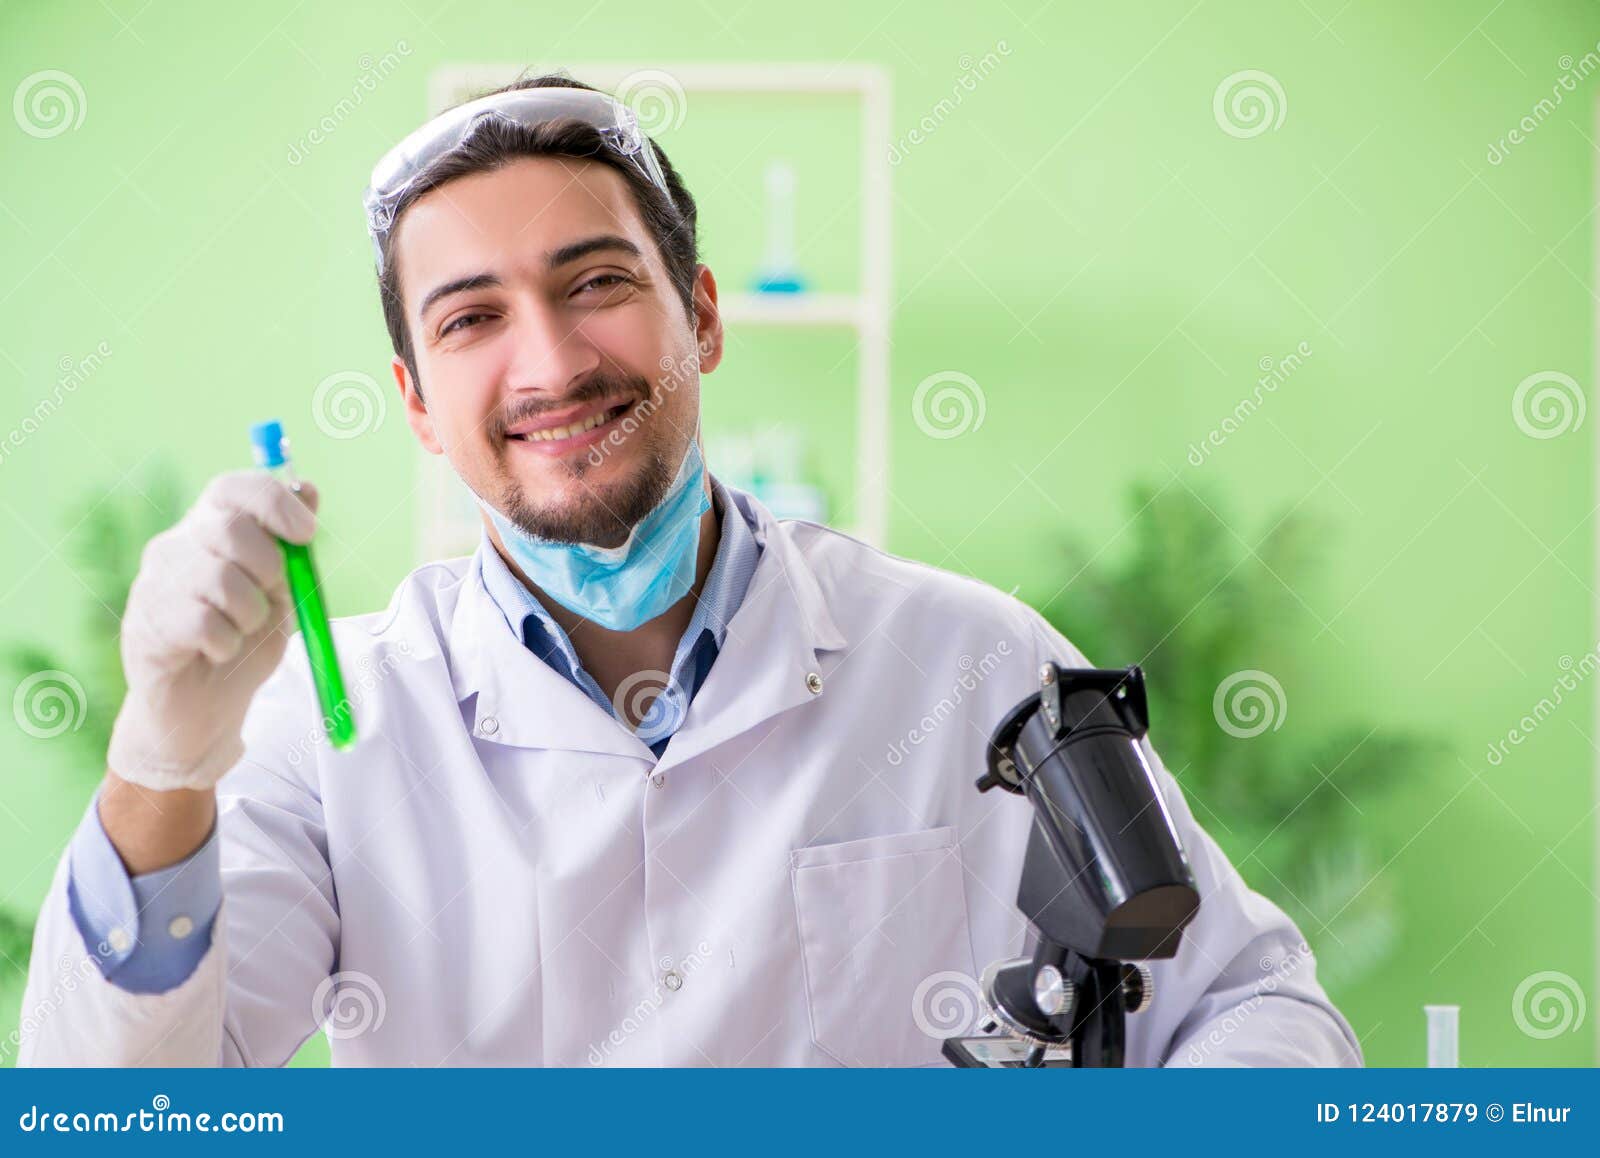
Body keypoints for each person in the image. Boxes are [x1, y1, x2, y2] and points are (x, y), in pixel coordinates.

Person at [18, 74, 1361, 1067]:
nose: (550, 363)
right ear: (417, 401)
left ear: (701, 316)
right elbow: (121, 1110)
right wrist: (161, 759)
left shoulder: (981, 664)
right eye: (473, 317)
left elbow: (1251, 1005)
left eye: (596, 283)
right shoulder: (329, 728)